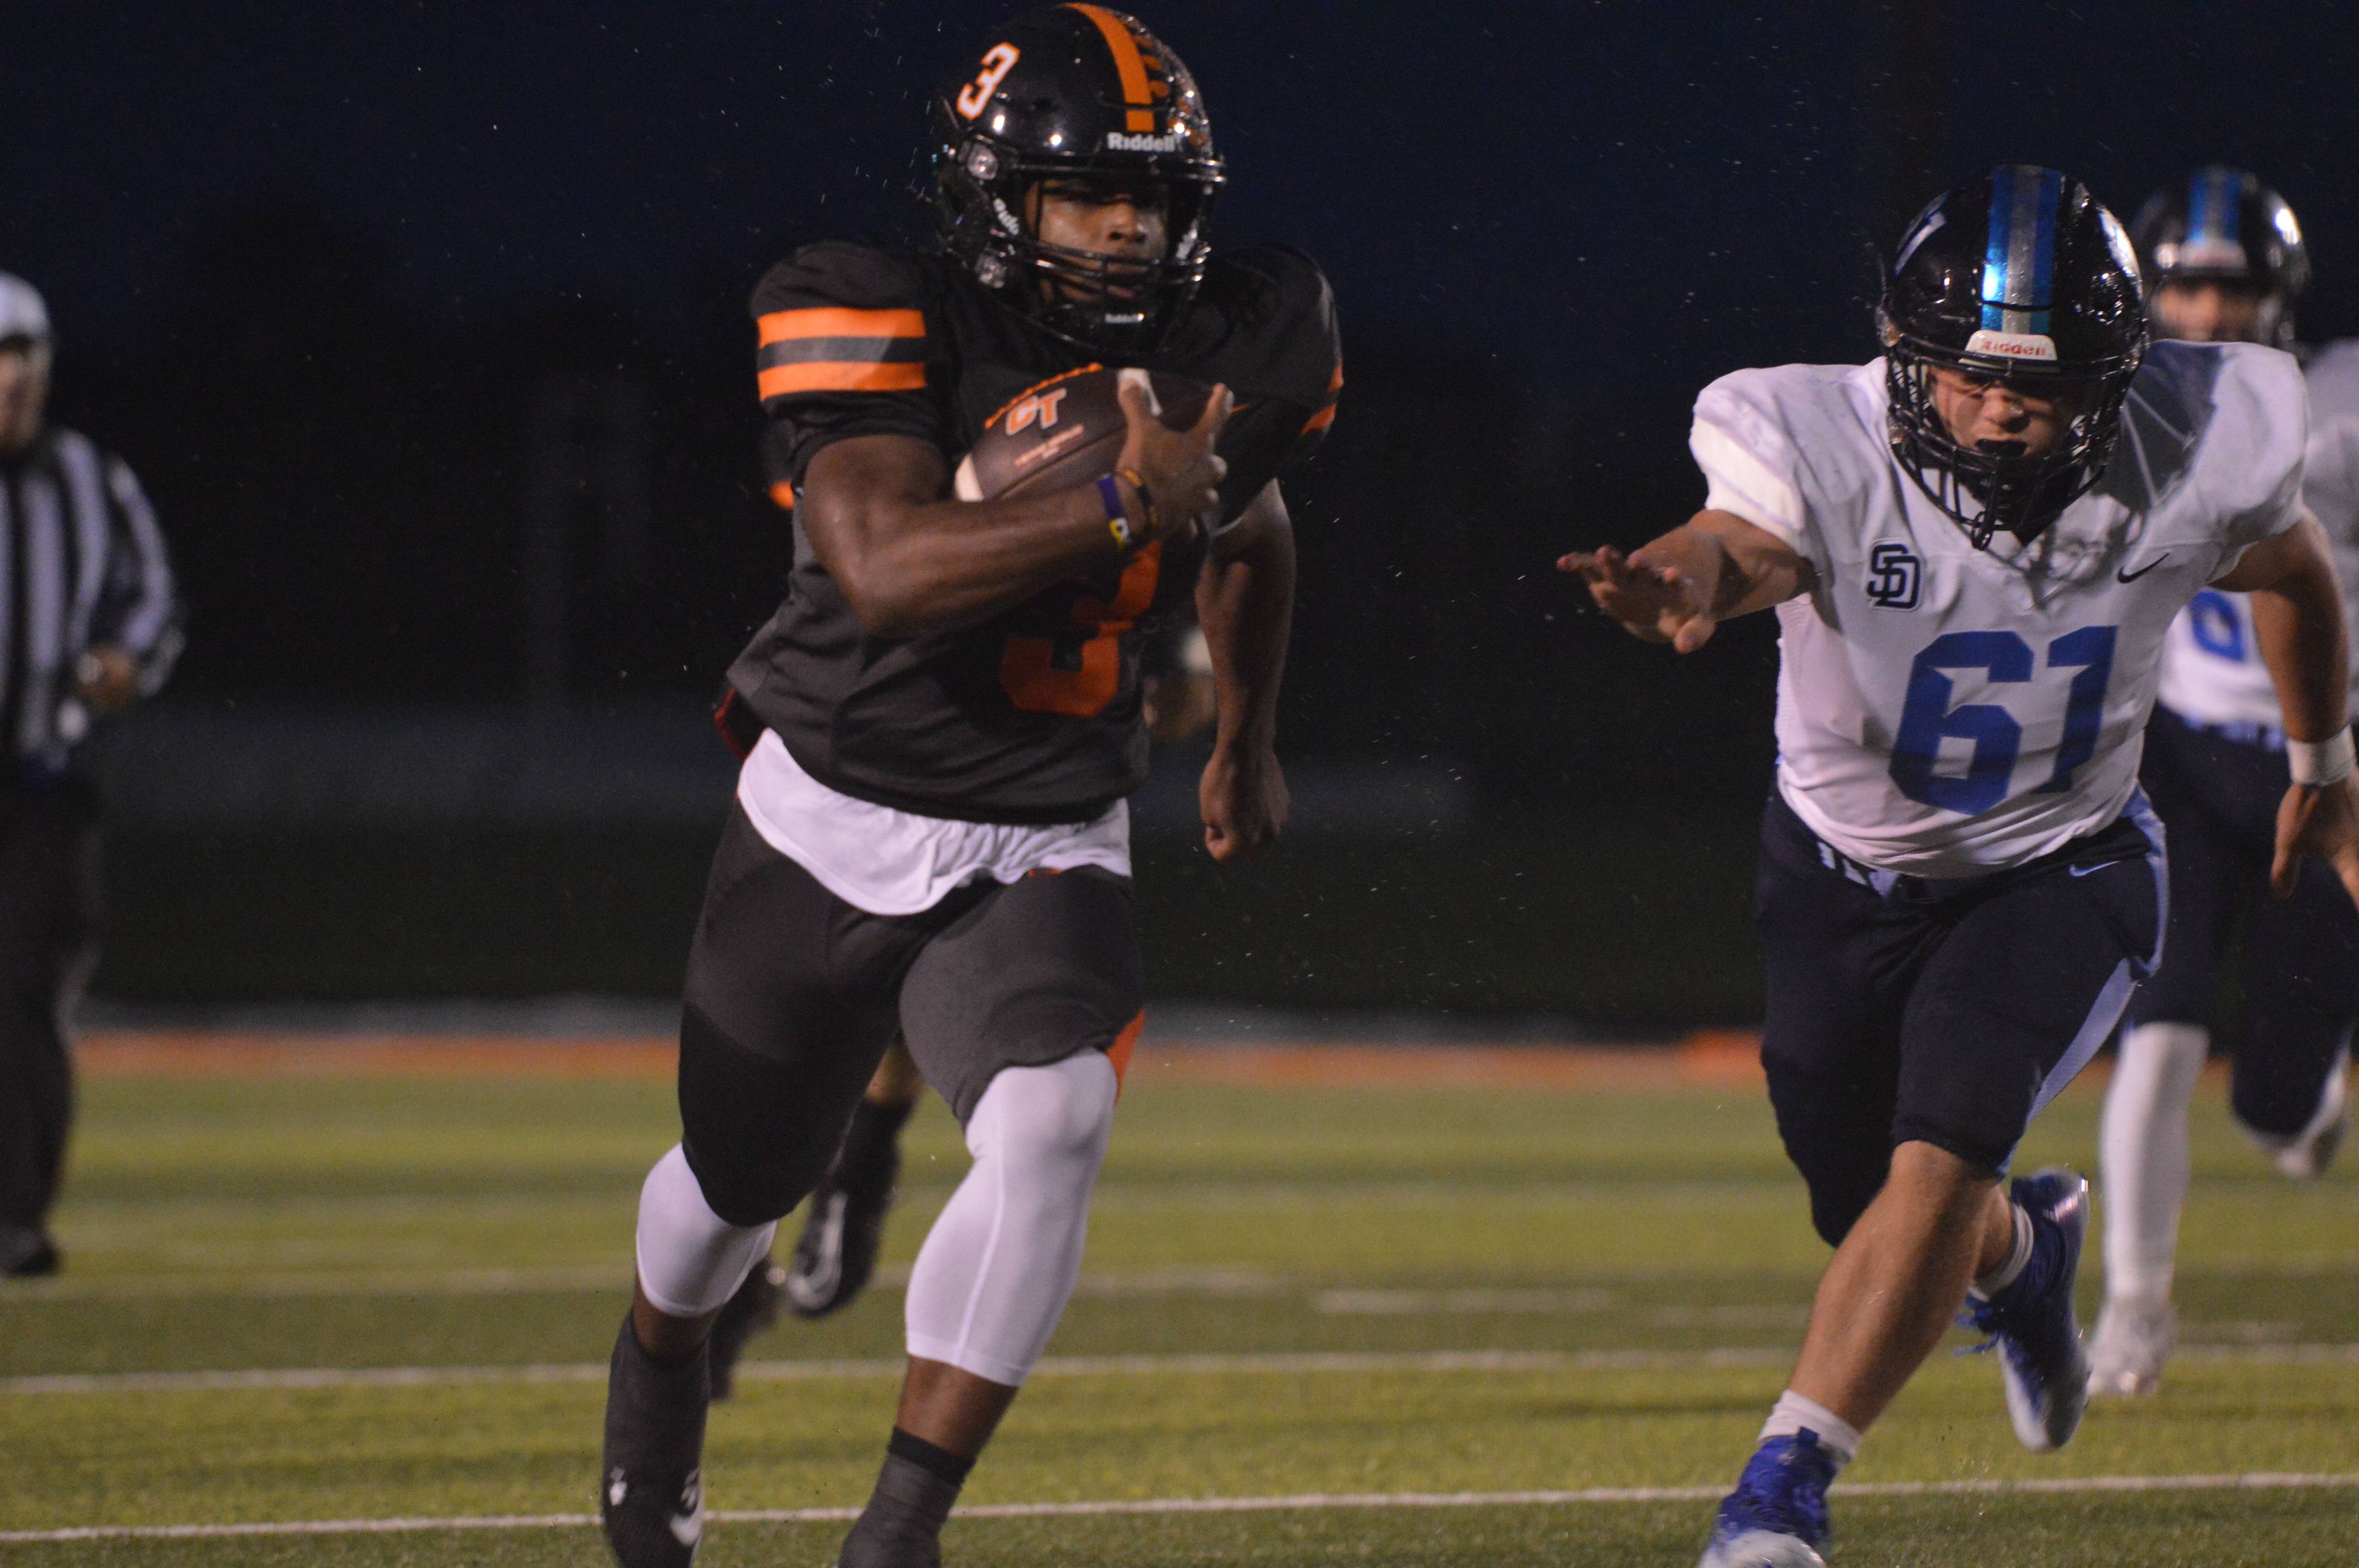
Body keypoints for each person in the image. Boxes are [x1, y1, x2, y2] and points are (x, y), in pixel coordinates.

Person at [599, 8, 1340, 1566]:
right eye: (1087, 201)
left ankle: (899, 1529)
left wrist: (1243, 732)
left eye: (1151, 202)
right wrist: (1108, 504)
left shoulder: (1233, 336)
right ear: (996, 200)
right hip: (830, 806)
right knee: (732, 1189)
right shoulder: (866, 304)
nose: (1126, 237)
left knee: (1058, 1113)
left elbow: (1253, 528)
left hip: (1042, 823)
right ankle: (661, 1356)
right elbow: (877, 569)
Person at [1562, 166, 2359, 1568]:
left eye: (2036, 386)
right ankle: (2021, 1256)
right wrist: (1680, 578)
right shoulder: (1818, 439)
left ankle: (1777, 1495)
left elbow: (2296, 571)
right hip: (1834, 873)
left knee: (1937, 1159)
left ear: (2111, 381)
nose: (1995, 409)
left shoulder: (2184, 446)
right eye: (1962, 374)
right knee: (1861, 1202)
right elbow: (1739, 545)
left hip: (2060, 865)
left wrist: (2321, 762)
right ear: (1905, 354)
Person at [702, 609, 1218, 1383]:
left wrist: (1187, 702)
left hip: (1013, 791)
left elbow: (1194, 656)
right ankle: (745, 1250)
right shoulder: (888, 513)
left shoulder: (1122, 512)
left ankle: (855, 1169)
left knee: (947, 973)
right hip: (857, 761)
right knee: (773, 1045)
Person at [2086, 169, 2359, 1398]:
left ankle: (2307, 1101)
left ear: (2279, 299)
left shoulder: (2339, 408)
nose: (2207, 308)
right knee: (2157, 1026)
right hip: (2185, 761)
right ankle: (2136, 1304)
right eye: (2186, 282)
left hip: (2330, 763)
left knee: (2274, 1106)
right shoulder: (2113, 405)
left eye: (2233, 285)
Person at [0, 273, 181, 1278]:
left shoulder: (87, 479)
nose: (9, 380)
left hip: (39, 778)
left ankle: (14, 1216)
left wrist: (125, 661)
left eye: (22, 357)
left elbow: (152, 598)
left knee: (25, 993)